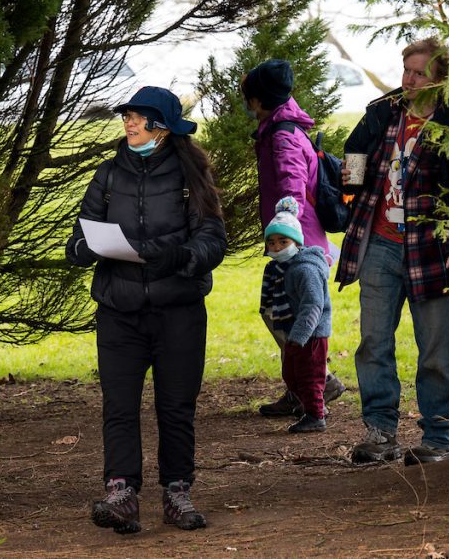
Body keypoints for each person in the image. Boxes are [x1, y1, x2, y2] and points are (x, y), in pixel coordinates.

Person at [66, 86, 227, 534]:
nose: (129, 123)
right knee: (119, 406)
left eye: (139, 117)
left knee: (176, 407)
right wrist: (84, 250)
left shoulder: (190, 175)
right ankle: (121, 494)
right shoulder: (107, 175)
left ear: (162, 128)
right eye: (128, 117)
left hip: (178, 312)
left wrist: (181, 257)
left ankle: (177, 492)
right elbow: (77, 238)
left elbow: (213, 240)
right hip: (119, 310)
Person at [336, 38, 449, 465]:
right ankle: (380, 432)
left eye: (419, 73)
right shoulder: (382, 113)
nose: (408, 80)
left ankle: (439, 438)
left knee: (438, 350)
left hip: (434, 252)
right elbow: (352, 151)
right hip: (381, 245)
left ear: (439, 79)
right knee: (373, 342)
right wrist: (351, 188)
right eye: (406, 71)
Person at [242, 59, 346, 418]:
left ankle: (317, 385)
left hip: (299, 243)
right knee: (281, 313)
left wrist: (285, 227)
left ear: (258, 100)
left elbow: (291, 182)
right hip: (297, 238)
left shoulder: (283, 135)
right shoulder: (282, 126)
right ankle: (301, 387)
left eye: (248, 97)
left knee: (293, 315)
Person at [260, 196, 333, 434]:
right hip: (294, 333)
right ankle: (312, 406)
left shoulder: (305, 269)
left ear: (297, 242)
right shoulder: (282, 268)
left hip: (310, 334)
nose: (277, 247)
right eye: (272, 242)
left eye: (283, 241)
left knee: (308, 375)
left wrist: (299, 337)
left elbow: (313, 305)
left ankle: (315, 415)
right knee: (291, 374)